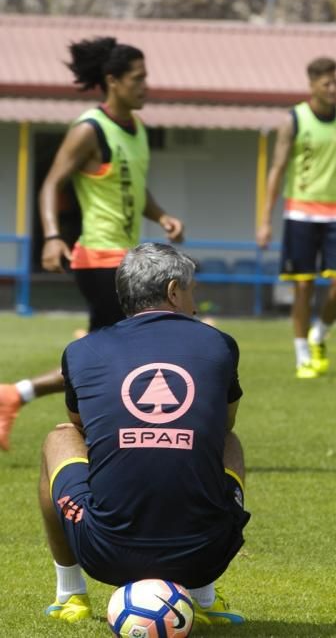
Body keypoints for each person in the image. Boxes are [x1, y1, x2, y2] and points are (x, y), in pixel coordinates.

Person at [39, 242, 249, 627]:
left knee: (60, 437)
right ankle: (203, 595)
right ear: (173, 291)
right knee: (228, 442)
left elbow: (80, 421)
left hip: (105, 551)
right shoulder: (219, 344)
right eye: (192, 292)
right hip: (206, 552)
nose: (196, 305)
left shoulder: (82, 350)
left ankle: (70, 595)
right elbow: (226, 424)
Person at [0, 37, 184, 452]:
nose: (146, 86)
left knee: (109, 349)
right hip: (98, 257)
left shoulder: (135, 130)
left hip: (124, 258)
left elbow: (133, 187)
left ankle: (17, 395)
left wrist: (161, 215)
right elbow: (51, 183)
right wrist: (51, 235)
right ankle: (104, 432)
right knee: (134, 344)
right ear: (112, 81)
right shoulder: (90, 129)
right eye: (138, 79)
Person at [256, 56, 336, 378]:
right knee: (303, 287)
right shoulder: (294, 120)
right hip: (300, 212)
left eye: (335, 82)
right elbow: (277, 168)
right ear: (311, 85)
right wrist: (265, 219)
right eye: (326, 83)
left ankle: (321, 333)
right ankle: (302, 355)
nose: (333, 88)